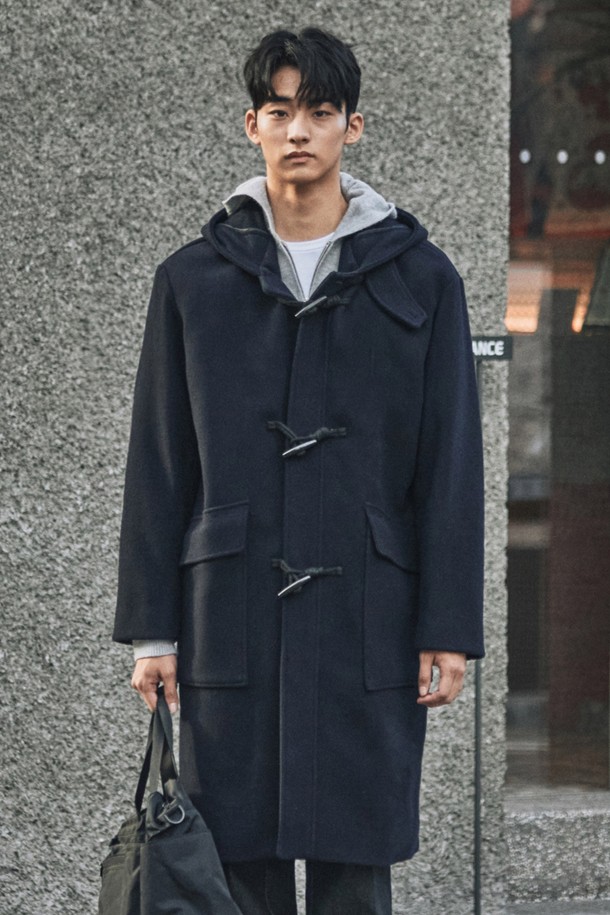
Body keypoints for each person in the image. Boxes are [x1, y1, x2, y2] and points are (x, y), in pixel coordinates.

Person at [113, 26, 484, 915]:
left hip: (370, 610)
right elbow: (159, 461)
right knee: (237, 863)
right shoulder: (192, 281)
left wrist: (448, 627)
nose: (299, 130)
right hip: (230, 610)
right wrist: (153, 630)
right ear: (252, 125)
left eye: (319, 110)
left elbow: (450, 465)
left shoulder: (423, 278)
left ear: (353, 126)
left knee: (356, 865)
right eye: (279, 111)